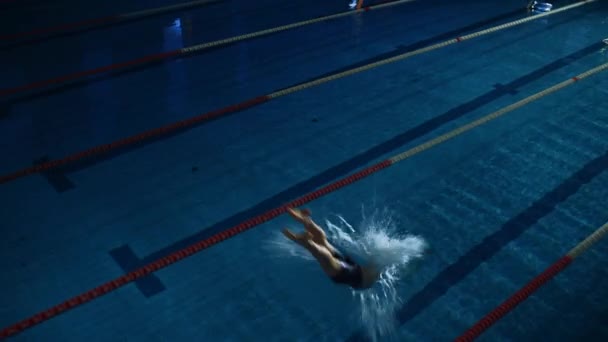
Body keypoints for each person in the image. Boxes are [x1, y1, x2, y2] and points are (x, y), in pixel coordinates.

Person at [282, 207, 380, 289]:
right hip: (354, 269)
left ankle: (308, 241)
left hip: (354, 276)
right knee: (322, 241)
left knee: (328, 257)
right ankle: (306, 222)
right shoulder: (384, 264)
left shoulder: (383, 261)